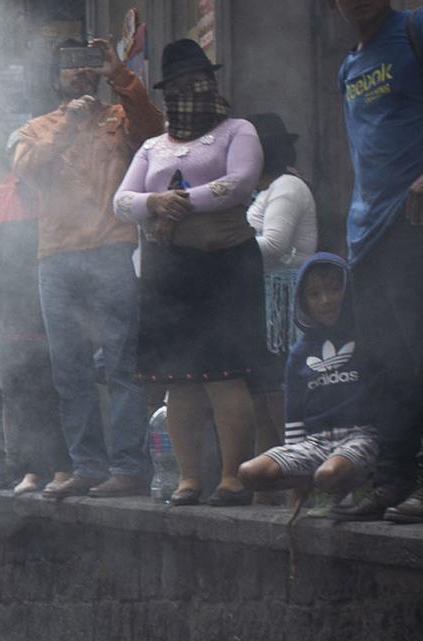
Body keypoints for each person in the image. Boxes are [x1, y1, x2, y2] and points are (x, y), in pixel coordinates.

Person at [114, 39, 264, 507]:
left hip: (223, 266)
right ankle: (188, 479)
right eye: (177, 85)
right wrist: (154, 203)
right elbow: (122, 202)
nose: (188, 91)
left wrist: (180, 202)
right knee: (178, 380)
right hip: (168, 272)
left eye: (196, 82)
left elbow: (239, 183)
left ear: (212, 84)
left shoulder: (238, 130)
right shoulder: (152, 145)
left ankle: (233, 477)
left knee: (225, 374)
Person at [15, 37, 165, 499]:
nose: (78, 72)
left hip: (110, 248)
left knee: (122, 364)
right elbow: (24, 175)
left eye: (86, 64)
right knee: (70, 369)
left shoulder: (118, 117)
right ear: (55, 76)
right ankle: (87, 465)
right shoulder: (35, 128)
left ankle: (128, 468)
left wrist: (119, 75)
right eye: (68, 65)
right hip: (55, 256)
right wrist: (68, 127)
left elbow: (155, 132)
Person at [329, 0, 423, 523]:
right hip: (366, 233)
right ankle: (393, 478)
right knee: (383, 366)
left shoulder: (418, 27)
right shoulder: (349, 65)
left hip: (416, 222)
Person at [0, 130, 71, 494]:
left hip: (43, 304)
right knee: (20, 392)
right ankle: (33, 469)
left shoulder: (47, 191)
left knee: (45, 389)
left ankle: (59, 466)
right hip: (11, 309)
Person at [238, 255, 376, 501]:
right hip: (316, 443)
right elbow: (294, 415)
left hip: (361, 436)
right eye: (315, 294)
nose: (325, 300)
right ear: (304, 301)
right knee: (249, 473)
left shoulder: (368, 338)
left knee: (329, 473)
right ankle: (312, 484)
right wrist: (294, 462)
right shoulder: (300, 352)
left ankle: (354, 480)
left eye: (334, 289)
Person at [247, 113, 320, 456]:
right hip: (261, 304)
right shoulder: (262, 191)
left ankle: (296, 471)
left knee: (278, 387)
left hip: (283, 308)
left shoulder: (287, 187)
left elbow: (275, 244)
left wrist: (223, 251)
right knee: (260, 391)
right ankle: (269, 480)